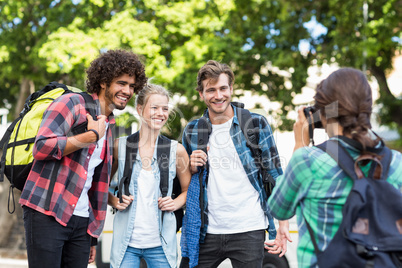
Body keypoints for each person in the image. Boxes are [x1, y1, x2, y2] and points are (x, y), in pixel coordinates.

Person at [19, 49, 147, 268]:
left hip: (80, 221)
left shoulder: (109, 124)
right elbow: (41, 147)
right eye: (122, 83)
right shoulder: (72, 103)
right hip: (46, 211)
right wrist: (89, 137)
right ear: (104, 81)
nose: (128, 91)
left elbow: (95, 183)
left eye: (132, 86)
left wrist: (92, 235)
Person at [266, 68, 402, 267]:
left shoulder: (307, 161)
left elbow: (278, 208)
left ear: (324, 114)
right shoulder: (396, 162)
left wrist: (299, 145)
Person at [180, 60, 292, 268]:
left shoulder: (256, 124)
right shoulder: (192, 130)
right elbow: (184, 181)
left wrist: (283, 224)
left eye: (223, 88)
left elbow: (276, 174)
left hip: (249, 229)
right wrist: (190, 166)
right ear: (201, 94)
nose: (218, 95)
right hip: (206, 231)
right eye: (211, 90)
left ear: (231, 89)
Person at [108, 83, 191, 268]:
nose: (160, 113)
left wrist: (176, 203)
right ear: (139, 109)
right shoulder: (119, 147)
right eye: (154, 108)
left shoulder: (176, 150)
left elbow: (188, 189)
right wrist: (114, 201)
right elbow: (99, 185)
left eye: (165, 108)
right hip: (126, 244)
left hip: (161, 244)